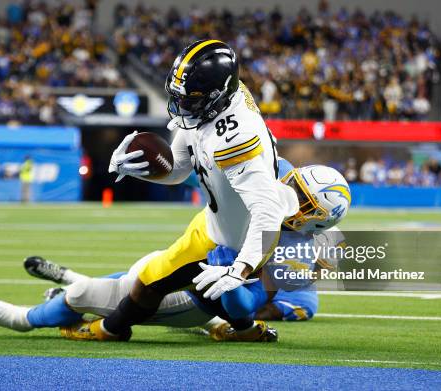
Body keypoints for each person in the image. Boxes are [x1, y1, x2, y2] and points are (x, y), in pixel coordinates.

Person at [0, 163, 350, 341]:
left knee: (90, 295)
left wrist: (228, 277)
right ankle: (67, 286)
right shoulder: (274, 172)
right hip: (185, 260)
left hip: (196, 299)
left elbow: (245, 310)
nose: (288, 194)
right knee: (133, 277)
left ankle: (25, 318)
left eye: (302, 199)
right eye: (295, 185)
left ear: (313, 221)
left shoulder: (294, 254)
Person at [101, 40, 296, 342]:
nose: (182, 106)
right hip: (213, 221)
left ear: (217, 96)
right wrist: (139, 169)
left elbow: (268, 211)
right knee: (154, 276)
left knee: (151, 282)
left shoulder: (234, 137)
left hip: (237, 237)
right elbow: (178, 169)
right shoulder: (212, 105)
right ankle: (244, 330)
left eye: (190, 99)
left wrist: (241, 267)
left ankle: (109, 330)